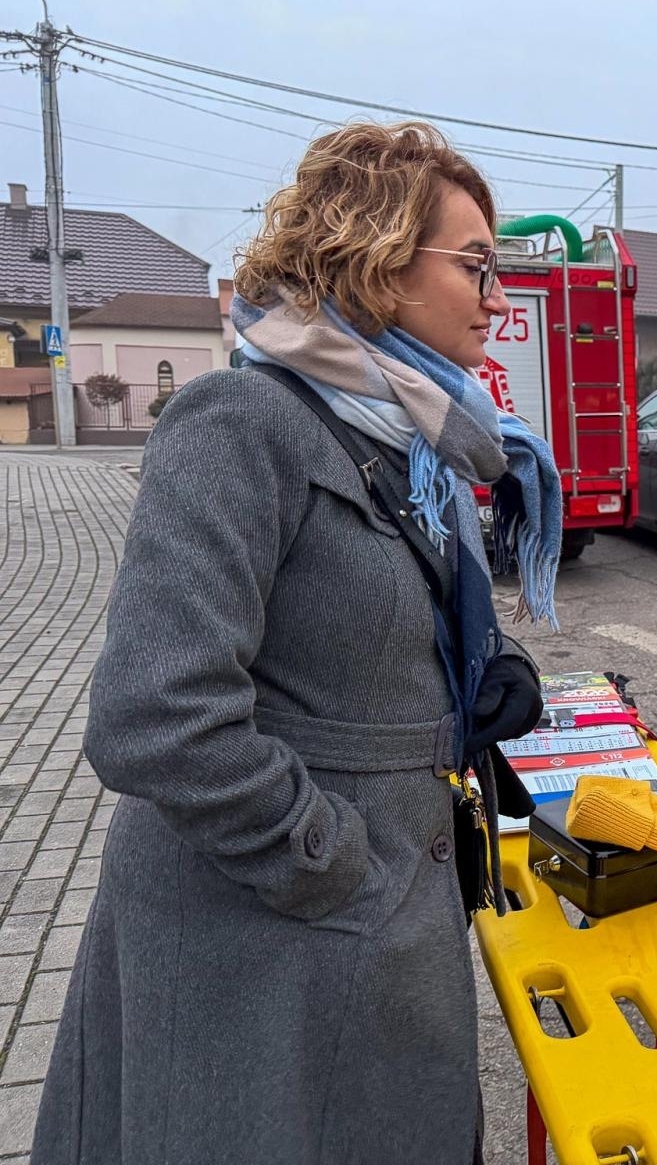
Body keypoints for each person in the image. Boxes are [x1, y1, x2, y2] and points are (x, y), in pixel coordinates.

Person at [32, 121, 560, 1165]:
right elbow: (155, 719)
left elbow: (371, 614)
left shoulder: (403, 433)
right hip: (263, 948)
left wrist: (479, 674)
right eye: (477, 268)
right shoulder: (242, 422)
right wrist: (331, 861)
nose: (498, 299)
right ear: (377, 258)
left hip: (364, 927)